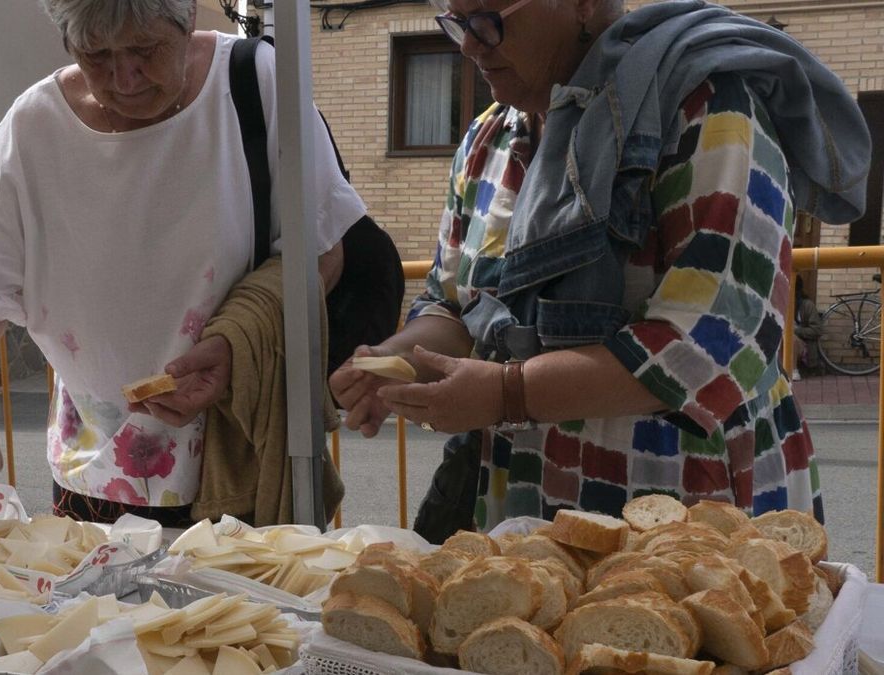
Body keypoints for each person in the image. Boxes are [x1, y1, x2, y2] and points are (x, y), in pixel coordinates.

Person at [331, 0, 869, 539]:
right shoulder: (490, 138)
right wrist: (401, 362)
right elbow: (454, 305)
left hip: (688, 512)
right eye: (455, 22)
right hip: (526, 503)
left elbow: (711, 344)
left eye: (489, 19)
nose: (470, 44)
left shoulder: (706, 109)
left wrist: (504, 394)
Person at [0, 0, 366, 523]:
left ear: (188, 23)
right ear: (69, 46)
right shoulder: (32, 127)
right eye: (97, 55)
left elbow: (320, 252)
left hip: (238, 457)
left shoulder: (254, 82)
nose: (124, 76)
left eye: (145, 49)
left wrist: (236, 344)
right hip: (92, 472)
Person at [793, 277, 822, 379]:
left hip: (804, 347)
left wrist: (796, 330)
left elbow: (817, 330)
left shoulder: (807, 305)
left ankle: (793, 370)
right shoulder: (779, 303)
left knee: (790, 338)